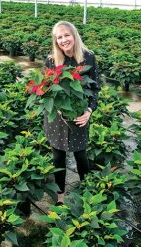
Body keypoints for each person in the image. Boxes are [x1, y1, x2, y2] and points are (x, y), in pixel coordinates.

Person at [44, 21, 100, 205]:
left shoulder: (88, 57)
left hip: (79, 115)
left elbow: (94, 88)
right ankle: (60, 195)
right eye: (59, 37)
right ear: (55, 41)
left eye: (66, 35)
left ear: (74, 35)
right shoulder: (52, 60)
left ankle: (87, 195)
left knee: (81, 156)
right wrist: (58, 107)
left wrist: (89, 111)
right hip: (57, 119)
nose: (63, 40)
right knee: (58, 158)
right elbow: (48, 90)